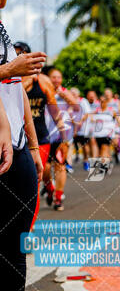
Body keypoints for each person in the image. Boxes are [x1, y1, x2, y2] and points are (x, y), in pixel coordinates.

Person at [0, 0, 49, 291]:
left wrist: (33, 148)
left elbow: (15, 96)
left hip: (14, 150)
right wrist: (7, 68)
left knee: (14, 250)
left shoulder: (3, 30)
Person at [19, 43, 68, 217]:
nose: (19, 57)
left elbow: (54, 111)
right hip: (16, 137)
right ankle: (49, 186)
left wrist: (64, 134)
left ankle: (30, 226)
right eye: (16, 54)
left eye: (22, 54)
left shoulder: (44, 81)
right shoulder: (11, 78)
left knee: (34, 180)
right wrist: (25, 83)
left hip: (39, 135)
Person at [45, 68, 77, 211]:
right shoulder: (43, 90)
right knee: (44, 169)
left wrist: (63, 95)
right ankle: (49, 188)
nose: (56, 80)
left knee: (60, 166)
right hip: (43, 135)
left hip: (61, 135)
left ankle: (58, 198)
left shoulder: (64, 91)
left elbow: (76, 107)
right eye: (53, 77)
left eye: (59, 77)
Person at [70, 87, 92, 171]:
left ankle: (86, 161)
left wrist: (80, 122)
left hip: (83, 128)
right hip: (72, 127)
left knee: (84, 145)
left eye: (74, 93)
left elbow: (86, 114)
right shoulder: (69, 102)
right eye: (71, 93)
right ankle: (69, 163)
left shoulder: (83, 101)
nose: (73, 95)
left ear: (78, 94)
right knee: (71, 145)